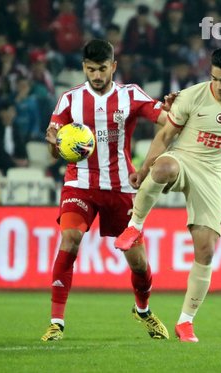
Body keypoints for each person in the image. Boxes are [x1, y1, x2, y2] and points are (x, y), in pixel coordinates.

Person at [115, 48, 221, 342]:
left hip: (209, 173)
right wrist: (144, 170)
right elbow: (165, 136)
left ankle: (185, 322)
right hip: (184, 158)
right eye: (215, 78)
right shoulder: (192, 96)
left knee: (206, 249)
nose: (219, 85)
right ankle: (135, 226)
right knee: (165, 166)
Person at [41, 39, 177, 342]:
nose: (97, 75)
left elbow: (167, 120)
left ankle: (143, 310)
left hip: (120, 186)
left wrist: (174, 110)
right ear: (83, 68)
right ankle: (56, 322)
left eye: (102, 69)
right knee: (70, 239)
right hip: (81, 183)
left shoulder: (130, 95)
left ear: (113, 66)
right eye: (91, 69)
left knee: (137, 260)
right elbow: (54, 150)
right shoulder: (69, 100)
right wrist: (52, 144)